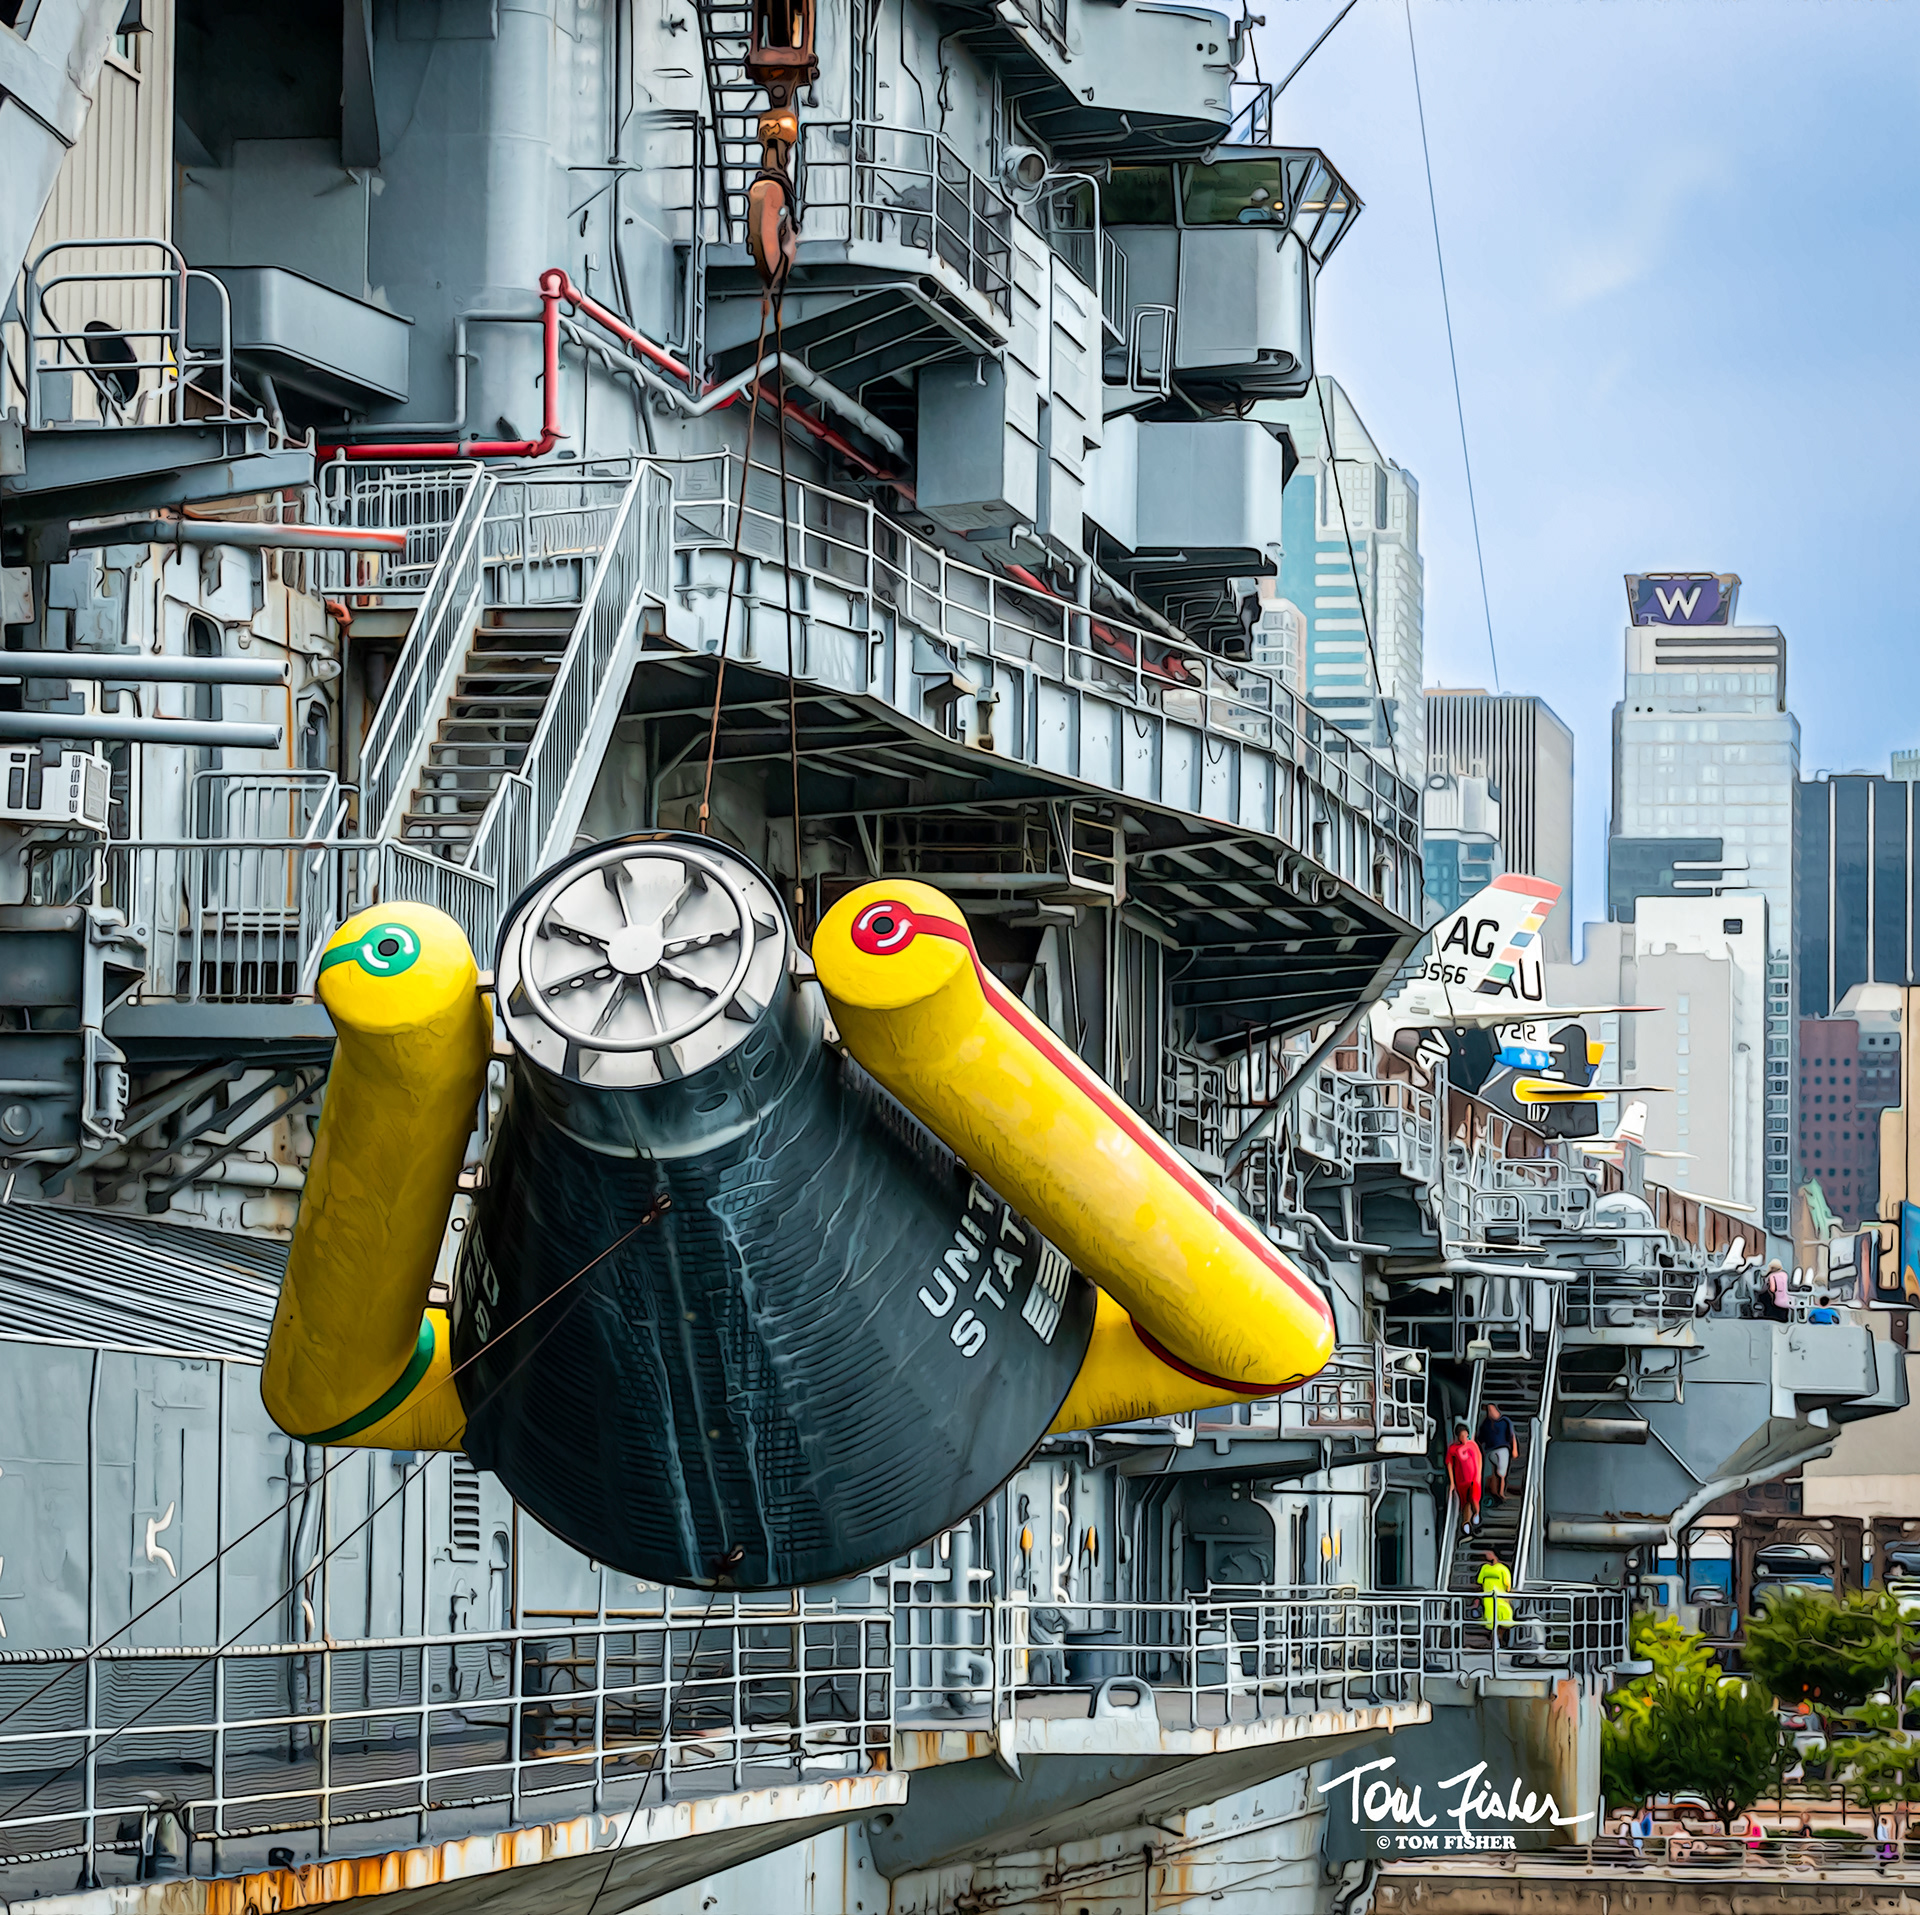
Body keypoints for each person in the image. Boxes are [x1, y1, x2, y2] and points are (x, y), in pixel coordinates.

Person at [1445, 1421, 1483, 1537]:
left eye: (1465, 1435)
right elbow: (1449, 1464)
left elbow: (1478, 1459)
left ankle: (1476, 1514)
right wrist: (1452, 1482)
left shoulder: (1472, 1445)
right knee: (1465, 1503)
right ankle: (1466, 1523)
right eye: (1461, 1436)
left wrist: (1478, 1475)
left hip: (1473, 1479)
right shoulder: (1453, 1449)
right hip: (1461, 1481)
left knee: (1474, 1499)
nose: (1464, 1438)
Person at [1477, 1401, 1518, 1504]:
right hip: (1490, 1449)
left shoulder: (1504, 1421)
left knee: (1501, 1472)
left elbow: (1512, 1436)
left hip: (1502, 1448)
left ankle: (1501, 1492)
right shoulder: (1486, 1424)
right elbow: (1480, 1438)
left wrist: (1514, 1449)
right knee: (1491, 1472)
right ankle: (1493, 1492)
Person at [1476, 1549, 1513, 1636]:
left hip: (1501, 1599)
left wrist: (1506, 1597)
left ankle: (1503, 1640)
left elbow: (1508, 1585)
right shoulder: (1484, 1568)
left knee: (1505, 1622)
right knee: (1490, 1623)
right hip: (1488, 1599)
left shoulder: (1502, 1568)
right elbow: (1480, 1582)